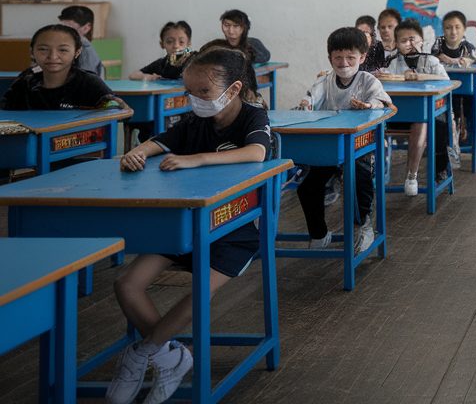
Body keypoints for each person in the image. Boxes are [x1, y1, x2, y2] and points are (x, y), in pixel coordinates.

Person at [108, 47, 273, 404]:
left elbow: (256, 153)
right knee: (127, 284)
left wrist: (195, 160)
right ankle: (171, 357)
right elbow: (160, 142)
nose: (195, 100)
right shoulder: (195, 120)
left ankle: (142, 352)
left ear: (234, 89)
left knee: (200, 291)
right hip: (187, 222)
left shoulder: (252, 116)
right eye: (190, 92)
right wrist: (138, 153)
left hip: (237, 229)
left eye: (204, 93)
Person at [296, 27, 392, 253]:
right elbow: (311, 98)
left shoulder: (368, 81)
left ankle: (364, 226)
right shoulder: (324, 81)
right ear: (330, 58)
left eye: (351, 57)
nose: (344, 63)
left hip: (361, 144)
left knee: (359, 177)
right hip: (331, 146)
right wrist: (306, 104)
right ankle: (319, 234)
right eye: (338, 57)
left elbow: (384, 103)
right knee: (307, 188)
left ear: (362, 57)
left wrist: (369, 106)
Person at [377, 18, 451, 194]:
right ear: (396, 44)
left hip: (428, 115)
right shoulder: (393, 63)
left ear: (422, 41)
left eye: (413, 39)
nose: (409, 44)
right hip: (398, 115)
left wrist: (422, 77)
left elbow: (446, 82)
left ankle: (412, 175)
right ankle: (375, 175)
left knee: (426, 122)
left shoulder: (431, 61)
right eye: (404, 41)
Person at [2, 24, 123, 110]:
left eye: (63, 50)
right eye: (43, 49)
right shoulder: (26, 79)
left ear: (77, 52)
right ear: (32, 52)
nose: (53, 56)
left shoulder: (88, 82)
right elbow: (5, 110)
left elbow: (118, 110)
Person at [431, 9, 476, 143]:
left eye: (457, 27)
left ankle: (471, 135)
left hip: (465, 89)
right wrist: (448, 59)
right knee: (442, 105)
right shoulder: (438, 42)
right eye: (448, 28)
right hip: (444, 89)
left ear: (464, 29)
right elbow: (434, 55)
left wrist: (470, 60)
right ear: (443, 29)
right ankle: (442, 140)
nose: (453, 32)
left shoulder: (468, 47)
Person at [130, 21, 195, 81]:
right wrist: (148, 77)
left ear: (188, 44)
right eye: (169, 41)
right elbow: (133, 75)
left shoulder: (192, 61)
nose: (176, 46)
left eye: (181, 42)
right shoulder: (161, 64)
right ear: (162, 44)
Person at [58, 5, 104, 76]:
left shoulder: (85, 51)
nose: (63, 33)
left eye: (69, 29)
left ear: (86, 28)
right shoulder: (68, 46)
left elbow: (85, 82)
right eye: (61, 28)